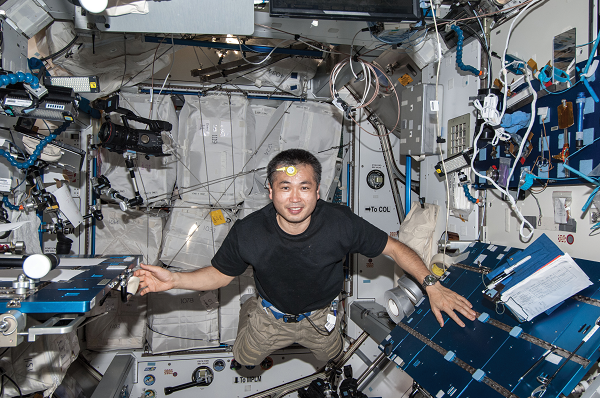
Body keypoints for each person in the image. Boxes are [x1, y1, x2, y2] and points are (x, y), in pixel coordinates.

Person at [134, 149, 476, 365]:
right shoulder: (248, 231)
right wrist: (175, 279)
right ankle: (251, 309)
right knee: (244, 358)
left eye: (304, 188)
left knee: (334, 357)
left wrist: (432, 285)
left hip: (320, 317)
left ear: (317, 190)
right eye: (285, 188)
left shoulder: (340, 223)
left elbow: (395, 248)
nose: (294, 199)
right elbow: (222, 275)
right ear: (270, 192)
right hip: (271, 318)